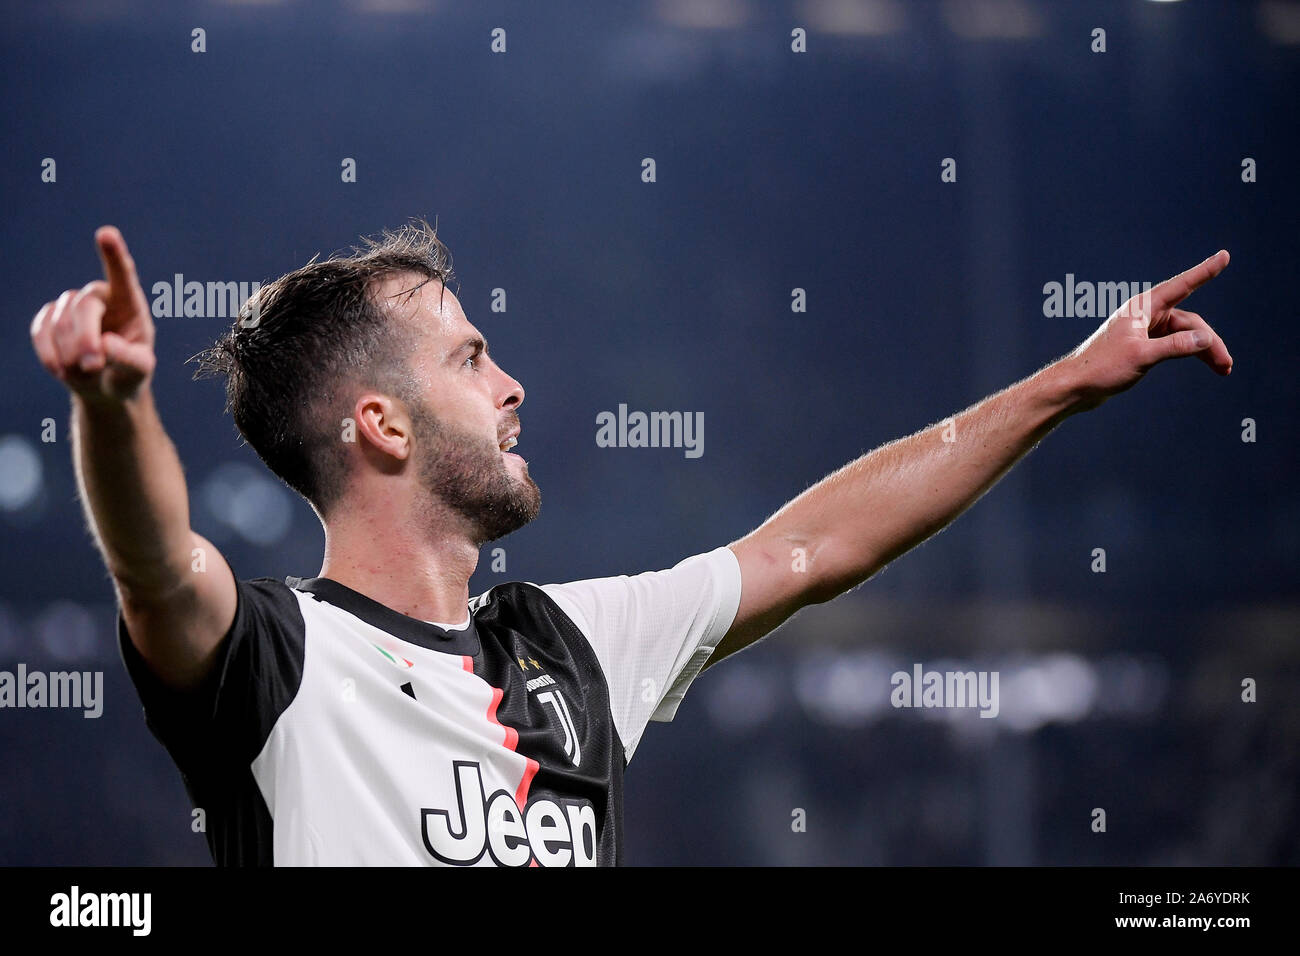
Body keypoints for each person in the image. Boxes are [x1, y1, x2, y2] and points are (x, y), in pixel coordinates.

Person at [28, 221, 1233, 866]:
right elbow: (153, 559)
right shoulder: (277, 663)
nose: (512, 386)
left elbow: (813, 549)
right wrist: (113, 405)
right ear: (380, 424)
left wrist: (1063, 385)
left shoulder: (566, 646)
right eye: (469, 358)